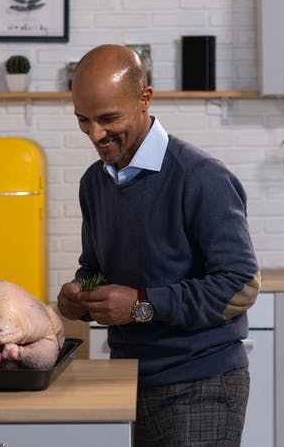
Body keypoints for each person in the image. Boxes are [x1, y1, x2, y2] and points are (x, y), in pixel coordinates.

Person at [56, 44, 261, 447]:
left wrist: (140, 304)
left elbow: (242, 285)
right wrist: (80, 295)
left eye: (108, 118)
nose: (95, 134)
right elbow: (95, 266)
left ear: (144, 99)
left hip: (203, 382)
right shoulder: (93, 184)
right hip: (128, 379)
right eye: (83, 120)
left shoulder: (201, 177)